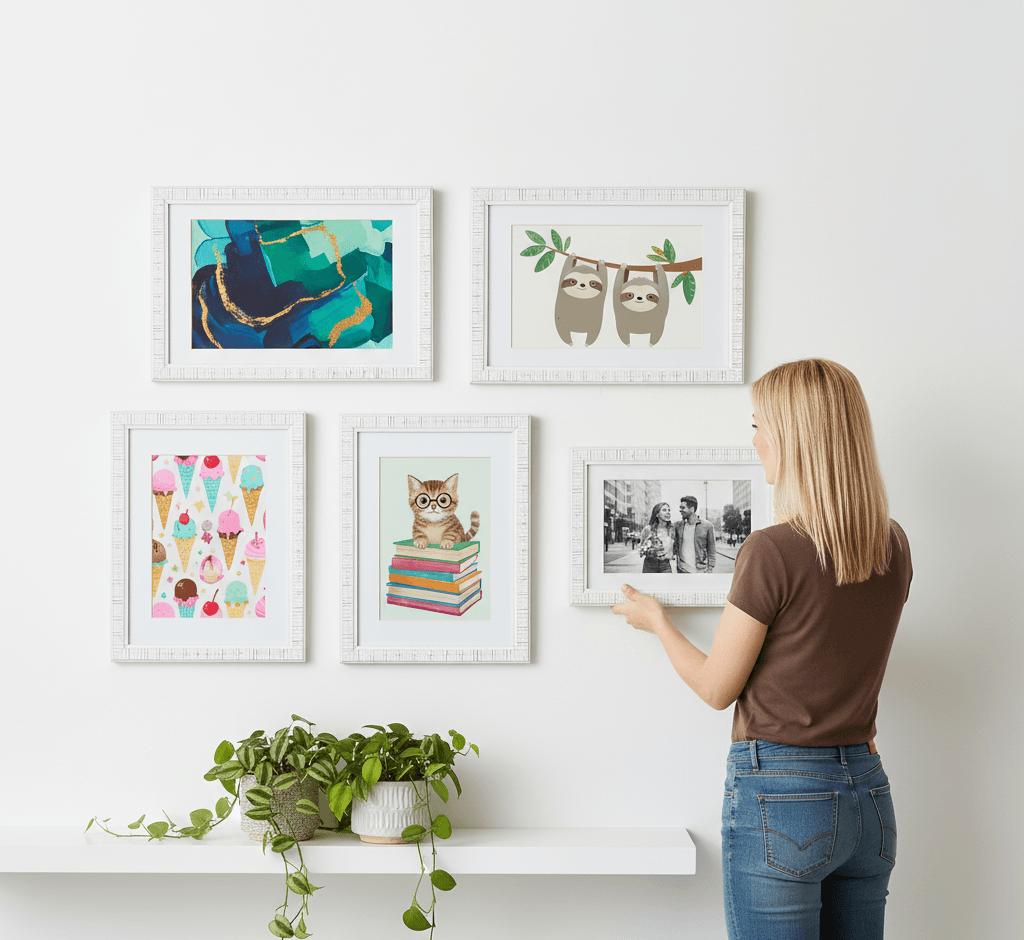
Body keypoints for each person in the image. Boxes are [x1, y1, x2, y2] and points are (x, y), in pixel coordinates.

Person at [611, 358, 912, 940]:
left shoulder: (773, 550)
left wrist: (657, 621)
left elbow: (716, 688)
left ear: (791, 437)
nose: (753, 440)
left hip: (783, 794)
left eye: (758, 425)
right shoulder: (893, 544)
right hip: (868, 796)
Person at [673, 495, 717, 573]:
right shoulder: (678, 526)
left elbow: (711, 548)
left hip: (700, 570)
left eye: (683, 508)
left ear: (692, 509)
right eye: (680, 508)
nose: (680, 510)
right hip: (682, 571)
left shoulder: (707, 526)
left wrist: (710, 568)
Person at [638, 502, 674, 573]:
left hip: (665, 565)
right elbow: (641, 546)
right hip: (650, 564)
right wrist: (647, 550)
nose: (668, 512)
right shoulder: (648, 529)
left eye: (669, 510)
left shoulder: (672, 529)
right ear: (657, 514)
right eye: (664, 510)